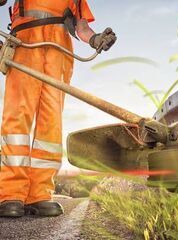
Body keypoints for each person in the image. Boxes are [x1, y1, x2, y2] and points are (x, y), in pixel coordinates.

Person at [0, 0, 116, 217]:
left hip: (59, 52)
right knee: (17, 117)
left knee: (50, 124)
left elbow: (81, 27)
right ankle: (11, 193)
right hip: (25, 43)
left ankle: (40, 194)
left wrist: (95, 39)